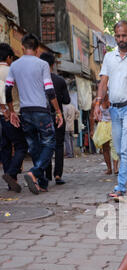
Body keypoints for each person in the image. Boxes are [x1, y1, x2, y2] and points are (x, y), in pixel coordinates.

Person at [94, 20, 127, 201]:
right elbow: (103, 82)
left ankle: (121, 188)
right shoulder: (109, 57)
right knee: (120, 150)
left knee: (124, 149)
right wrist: (98, 102)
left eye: (124, 35)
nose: (121, 39)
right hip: (114, 111)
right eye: (118, 36)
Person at [5, 33, 63, 194]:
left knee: (34, 146)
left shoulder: (15, 65)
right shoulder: (42, 64)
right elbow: (49, 90)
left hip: (25, 112)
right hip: (41, 111)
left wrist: (11, 112)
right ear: (37, 50)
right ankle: (35, 172)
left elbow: (8, 89)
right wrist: (58, 111)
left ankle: (41, 182)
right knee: (49, 143)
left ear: (23, 47)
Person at [0, 43, 27, 193]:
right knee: (21, 146)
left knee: (5, 147)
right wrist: (6, 110)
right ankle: (11, 174)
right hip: (13, 113)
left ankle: (12, 181)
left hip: (2, 115)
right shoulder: (11, 71)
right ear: (9, 57)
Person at [40, 52, 70, 185]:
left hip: (42, 117)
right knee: (58, 146)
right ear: (53, 65)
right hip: (58, 117)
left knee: (44, 145)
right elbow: (67, 100)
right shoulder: (60, 80)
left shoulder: (37, 81)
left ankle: (46, 174)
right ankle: (58, 175)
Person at [90, 95, 118, 175]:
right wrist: (92, 130)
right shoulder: (96, 102)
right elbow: (92, 116)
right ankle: (109, 168)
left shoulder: (114, 98)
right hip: (103, 125)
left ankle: (116, 168)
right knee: (105, 148)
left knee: (114, 146)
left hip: (114, 124)